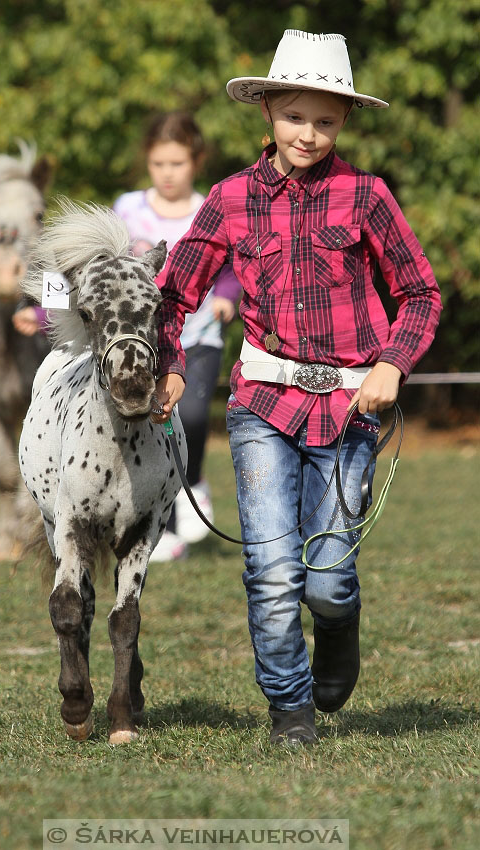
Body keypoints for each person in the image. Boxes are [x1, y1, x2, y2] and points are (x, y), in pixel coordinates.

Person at [151, 30, 442, 746]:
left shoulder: (366, 196)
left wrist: (391, 365)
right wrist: (169, 361)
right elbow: (172, 295)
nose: (307, 133)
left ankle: (339, 627)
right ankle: (289, 710)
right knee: (272, 569)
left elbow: (420, 294)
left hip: (350, 408)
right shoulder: (227, 199)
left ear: (342, 122)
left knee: (327, 580)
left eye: (325, 119)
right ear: (267, 113)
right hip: (260, 405)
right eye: (294, 116)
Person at [113, 111, 241, 562]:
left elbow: (230, 265)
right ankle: (163, 527)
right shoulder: (127, 208)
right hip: (142, 342)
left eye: (178, 163)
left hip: (199, 332)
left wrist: (226, 295)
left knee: (192, 415)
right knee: (154, 423)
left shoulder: (211, 206)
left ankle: (195, 479)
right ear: (147, 163)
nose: (168, 173)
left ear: (196, 161)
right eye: (159, 164)